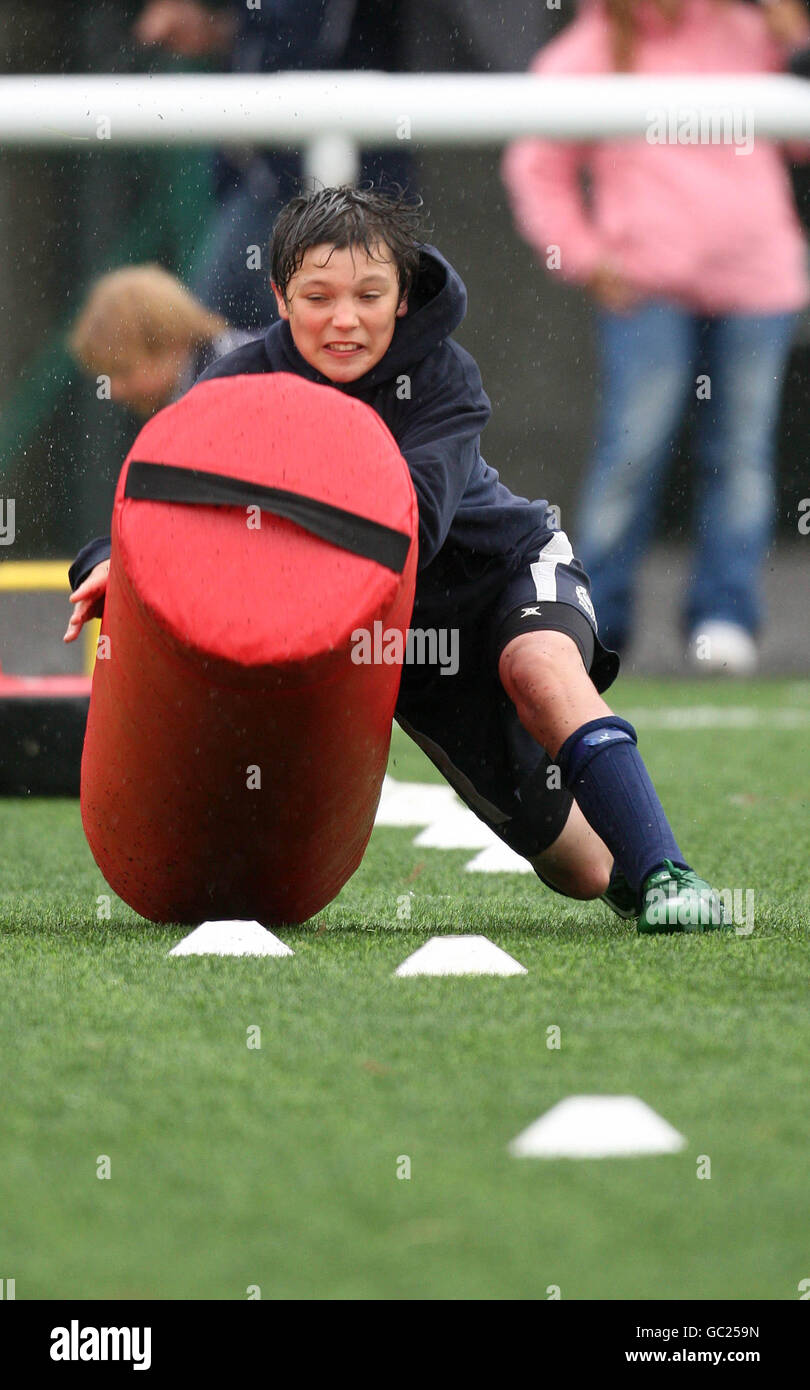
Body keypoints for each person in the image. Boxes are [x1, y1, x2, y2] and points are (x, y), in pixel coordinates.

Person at [65, 186, 729, 934]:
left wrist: (270, 521)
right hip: (397, 645)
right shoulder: (240, 383)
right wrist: (108, 561)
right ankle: (627, 868)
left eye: (369, 295)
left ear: (402, 298)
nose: (345, 319)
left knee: (539, 673)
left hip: (498, 573)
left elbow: (405, 525)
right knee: (584, 871)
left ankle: (669, 869)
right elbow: (163, 498)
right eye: (318, 296)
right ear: (281, 299)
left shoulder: (442, 377)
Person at [501, 0, 810, 675]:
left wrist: (795, 47)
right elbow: (535, 166)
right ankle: (595, 618)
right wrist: (582, 255)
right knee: (633, 450)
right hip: (647, 291)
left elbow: (801, 138)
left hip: (760, 281)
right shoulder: (583, 53)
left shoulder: (749, 32)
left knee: (742, 456)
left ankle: (724, 619)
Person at [67, 263, 253, 419]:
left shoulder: (234, 383)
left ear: (167, 342)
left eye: (124, 371)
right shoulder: (203, 378)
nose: (114, 390)